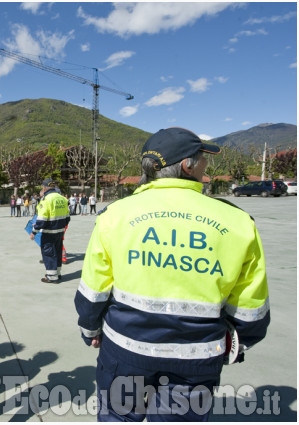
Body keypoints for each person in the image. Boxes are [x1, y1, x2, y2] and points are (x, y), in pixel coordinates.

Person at [74, 127, 270, 421]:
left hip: (126, 349)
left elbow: (93, 290)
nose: (206, 166)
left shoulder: (115, 215)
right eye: (203, 159)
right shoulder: (238, 222)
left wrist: (90, 330)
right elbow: (250, 308)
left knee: (118, 416)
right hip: (196, 357)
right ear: (188, 166)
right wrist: (237, 344)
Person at [31, 179, 70, 283]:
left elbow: (42, 220)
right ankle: (57, 273)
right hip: (60, 231)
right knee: (57, 252)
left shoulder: (46, 200)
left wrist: (34, 231)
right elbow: (67, 217)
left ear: (44, 188)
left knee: (49, 253)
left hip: (49, 232)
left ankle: (51, 277)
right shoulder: (62, 198)